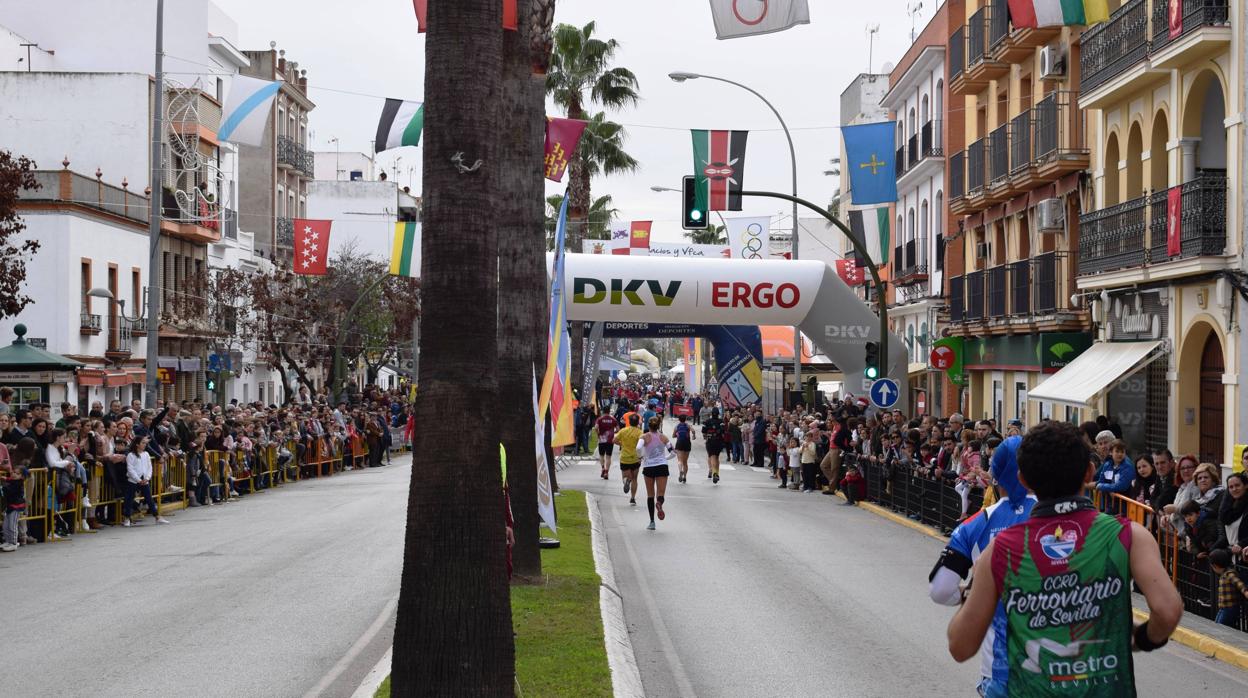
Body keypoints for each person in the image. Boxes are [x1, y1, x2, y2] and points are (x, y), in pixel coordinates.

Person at [947, 421, 1183, 696]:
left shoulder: (999, 550)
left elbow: (960, 646)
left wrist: (972, 593)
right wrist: (1140, 639)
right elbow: (1168, 611)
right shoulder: (1129, 535)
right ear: (1090, 472)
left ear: (1023, 480)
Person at [929, 435, 1035, 694]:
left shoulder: (975, 523)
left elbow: (941, 590)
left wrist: (971, 594)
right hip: (1066, 670)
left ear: (995, 476)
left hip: (1001, 671)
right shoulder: (1063, 519)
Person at [124, 435, 169, 527]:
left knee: (149, 499)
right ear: (137, 444)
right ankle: (127, 518)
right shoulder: (131, 455)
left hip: (145, 480)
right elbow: (130, 469)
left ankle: (157, 517)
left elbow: (149, 467)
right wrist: (138, 479)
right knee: (129, 499)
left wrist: (147, 478)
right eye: (143, 443)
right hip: (133, 480)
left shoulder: (146, 454)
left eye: (145, 443)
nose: (145, 445)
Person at [639, 416, 671, 531]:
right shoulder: (663, 437)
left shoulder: (644, 437)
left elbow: (638, 447)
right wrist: (665, 458)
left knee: (650, 494)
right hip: (662, 466)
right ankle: (659, 502)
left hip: (648, 466)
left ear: (648, 425)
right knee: (661, 493)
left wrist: (641, 456)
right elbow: (673, 452)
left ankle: (652, 521)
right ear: (659, 426)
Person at [1209, 548, 1247, 627]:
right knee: (1216, 626)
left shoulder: (1229, 574)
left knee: (1221, 628)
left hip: (1230, 608)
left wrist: (1246, 592)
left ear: (1215, 565)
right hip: (1223, 608)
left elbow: (1239, 584)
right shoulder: (1224, 574)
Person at [1217, 472, 1247, 561]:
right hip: (1232, 557)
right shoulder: (1227, 508)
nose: (1234, 489)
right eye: (1231, 487)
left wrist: (1241, 544)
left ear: (1246, 486)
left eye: (1237, 485)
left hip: (1244, 556)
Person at [615, 414, 643, 506]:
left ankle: (626, 481)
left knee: (624, 476)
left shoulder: (623, 431)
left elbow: (614, 440)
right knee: (634, 479)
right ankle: (632, 498)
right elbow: (641, 445)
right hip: (635, 458)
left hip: (624, 458)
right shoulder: (639, 432)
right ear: (637, 422)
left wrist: (622, 444)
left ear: (629, 421)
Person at [701, 408, 724, 484]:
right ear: (718, 413)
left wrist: (706, 437)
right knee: (716, 457)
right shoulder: (721, 422)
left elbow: (703, 431)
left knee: (712, 457)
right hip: (719, 441)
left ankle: (714, 473)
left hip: (710, 440)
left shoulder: (707, 421)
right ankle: (716, 473)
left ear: (711, 413)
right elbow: (723, 430)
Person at [671, 414, 695, 484]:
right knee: (685, 462)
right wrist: (694, 435)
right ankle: (684, 477)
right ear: (686, 419)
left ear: (679, 419)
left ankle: (680, 471)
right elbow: (693, 430)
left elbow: (673, 435)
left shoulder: (677, 426)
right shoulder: (688, 425)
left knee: (680, 460)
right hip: (687, 443)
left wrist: (677, 435)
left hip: (679, 443)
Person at [595, 409, 618, 481]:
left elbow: (596, 427)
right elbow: (618, 429)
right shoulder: (613, 419)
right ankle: (606, 472)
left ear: (603, 411)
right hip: (610, 440)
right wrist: (613, 432)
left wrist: (598, 433)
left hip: (601, 440)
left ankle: (603, 468)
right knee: (608, 457)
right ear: (609, 412)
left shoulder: (599, 419)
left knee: (601, 455)